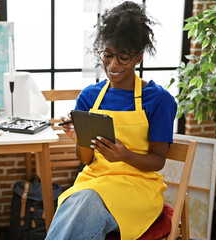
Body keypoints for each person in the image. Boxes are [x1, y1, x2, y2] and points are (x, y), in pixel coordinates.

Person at [45, 2, 177, 240]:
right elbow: (86, 159)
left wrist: (125, 156)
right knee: (82, 199)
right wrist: (80, 139)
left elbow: (158, 161)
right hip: (94, 181)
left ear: (138, 57)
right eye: (107, 55)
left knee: (85, 203)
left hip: (139, 188)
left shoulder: (158, 99)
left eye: (123, 58)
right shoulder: (89, 96)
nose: (113, 65)